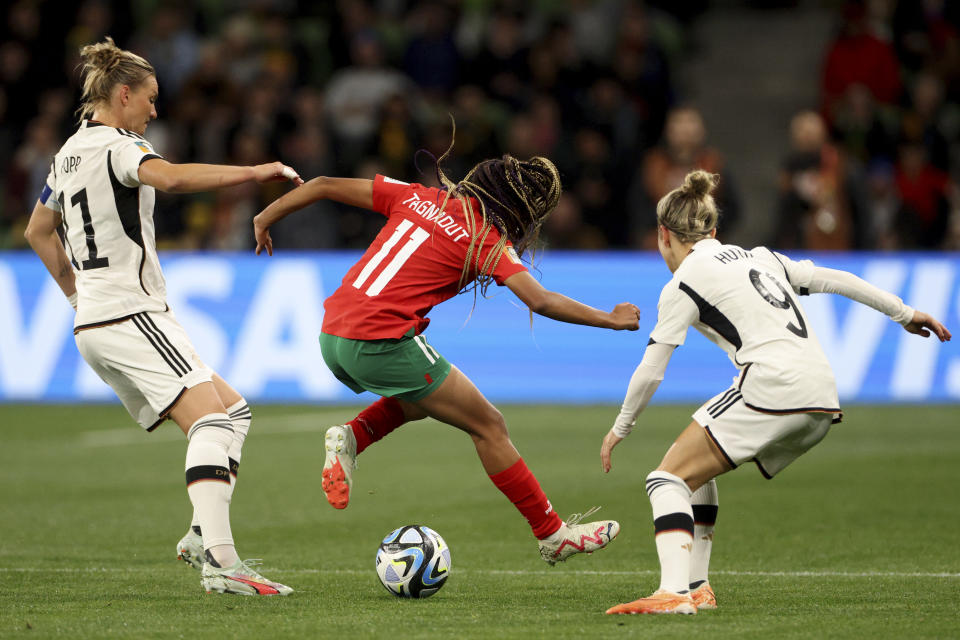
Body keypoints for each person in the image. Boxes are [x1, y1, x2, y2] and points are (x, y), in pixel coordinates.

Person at [252, 145, 640, 565]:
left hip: (332, 334)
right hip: (380, 340)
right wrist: (611, 318)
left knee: (424, 400)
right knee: (489, 425)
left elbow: (324, 184)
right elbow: (541, 300)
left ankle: (352, 438)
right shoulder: (486, 240)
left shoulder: (418, 194)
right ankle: (552, 534)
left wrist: (264, 217)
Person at [23, 38, 303, 596]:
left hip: (98, 321)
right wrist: (256, 170)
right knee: (212, 423)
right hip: (131, 312)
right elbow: (170, 179)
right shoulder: (120, 146)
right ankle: (222, 562)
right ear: (123, 95)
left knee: (233, 410)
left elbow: (36, 231)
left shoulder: (68, 152)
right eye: (150, 99)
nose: (155, 110)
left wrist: (79, 297)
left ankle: (202, 534)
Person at [601, 170, 951, 615]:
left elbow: (652, 369)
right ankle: (698, 587)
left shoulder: (684, 280)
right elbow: (836, 279)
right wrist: (904, 313)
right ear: (714, 231)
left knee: (664, 479)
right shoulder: (762, 257)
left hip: (773, 385)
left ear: (663, 235)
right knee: (694, 471)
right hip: (821, 391)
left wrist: (620, 428)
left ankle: (673, 593)